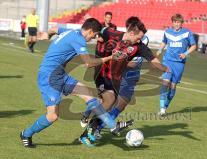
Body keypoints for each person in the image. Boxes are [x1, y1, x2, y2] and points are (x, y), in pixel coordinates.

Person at [20, 18, 131, 148]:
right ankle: (26, 134)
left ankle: (113, 126)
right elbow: (88, 63)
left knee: (90, 96)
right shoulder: (78, 39)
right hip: (49, 78)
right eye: (94, 35)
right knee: (53, 116)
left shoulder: (72, 32)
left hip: (60, 75)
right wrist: (111, 57)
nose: (94, 38)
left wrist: (48, 33)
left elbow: (55, 29)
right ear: (90, 31)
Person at [80, 16, 168, 142]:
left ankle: (91, 121)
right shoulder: (110, 33)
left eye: (141, 39)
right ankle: (90, 129)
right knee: (110, 101)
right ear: (132, 33)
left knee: (111, 103)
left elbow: (153, 59)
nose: (139, 41)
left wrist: (166, 69)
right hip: (102, 73)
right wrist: (94, 37)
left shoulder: (140, 46)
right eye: (138, 38)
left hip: (118, 78)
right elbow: (96, 29)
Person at [156, 14, 196, 116]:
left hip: (179, 64)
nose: (176, 24)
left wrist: (185, 54)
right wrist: (160, 50)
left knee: (172, 87)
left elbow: (194, 46)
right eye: (174, 22)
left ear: (181, 23)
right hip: (167, 61)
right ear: (172, 22)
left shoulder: (187, 33)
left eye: (178, 22)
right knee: (165, 83)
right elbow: (164, 42)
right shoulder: (167, 32)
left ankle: (165, 106)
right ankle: (161, 108)